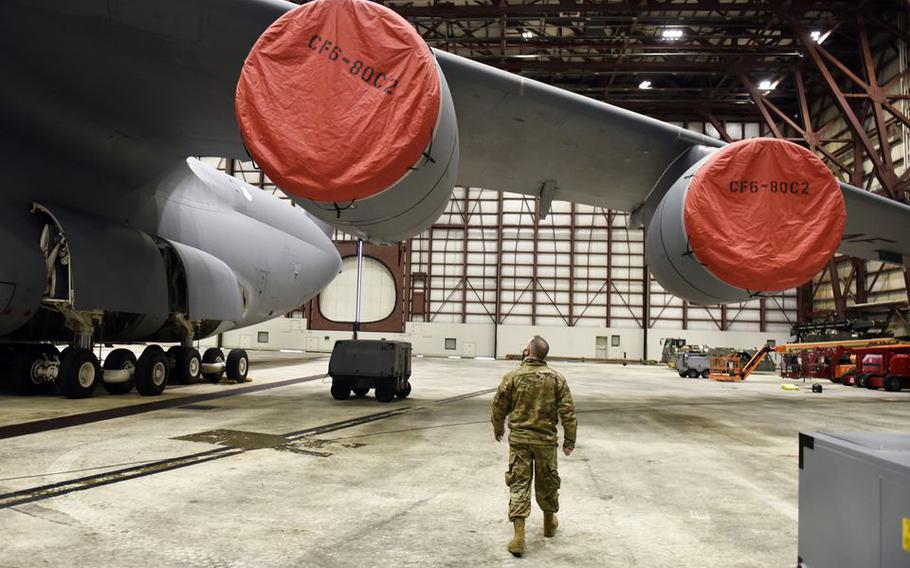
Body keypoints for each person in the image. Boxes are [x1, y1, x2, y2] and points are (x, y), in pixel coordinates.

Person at [491, 335, 577, 557]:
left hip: (520, 441)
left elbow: (498, 405)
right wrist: (569, 440)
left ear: (528, 352)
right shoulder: (557, 379)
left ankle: (519, 536)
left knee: (519, 484)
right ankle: (549, 523)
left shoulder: (513, 377)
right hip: (546, 441)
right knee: (548, 480)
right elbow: (568, 412)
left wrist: (498, 427)